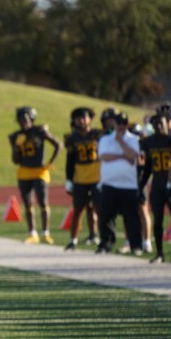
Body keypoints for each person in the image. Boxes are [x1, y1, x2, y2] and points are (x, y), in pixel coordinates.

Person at [9, 106, 60, 244]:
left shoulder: (39, 131)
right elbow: (15, 160)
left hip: (40, 171)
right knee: (28, 203)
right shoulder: (15, 136)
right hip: (24, 171)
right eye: (21, 120)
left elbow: (58, 145)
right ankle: (32, 233)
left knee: (43, 202)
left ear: (31, 119)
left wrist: (50, 162)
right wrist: (16, 148)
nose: (23, 122)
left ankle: (45, 233)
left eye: (26, 119)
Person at [96, 109, 143, 256]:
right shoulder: (105, 139)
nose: (121, 126)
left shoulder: (133, 139)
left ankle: (136, 245)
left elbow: (132, 156)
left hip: (128, 185)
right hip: (109, 183)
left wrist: (121, 142)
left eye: (124, 123)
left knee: (132, 217)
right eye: (119, 123)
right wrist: (123, 156)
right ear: (114, 124)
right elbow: (103, 156)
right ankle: (106, 244)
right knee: (107, 216)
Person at [139, 113, 171, 263]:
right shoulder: (149, 142)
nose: (159, 126)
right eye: (155, 124)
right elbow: (147, 167)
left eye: (161, 123)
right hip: (157, 184)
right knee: (158, 220)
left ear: (167, 123)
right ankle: (159, 253)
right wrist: (141, 186)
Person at [62, 107, 101, 250]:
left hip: (97, 177)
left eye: (84, 117)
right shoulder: (72, 138)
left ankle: (102, 238)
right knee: (78, 209)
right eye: (78, 118)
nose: (81, 121)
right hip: (80, 178)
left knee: (99, 209)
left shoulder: (98, 134)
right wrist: (68, 179)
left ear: (90, 119)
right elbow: (70, 161)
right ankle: (73, 240)